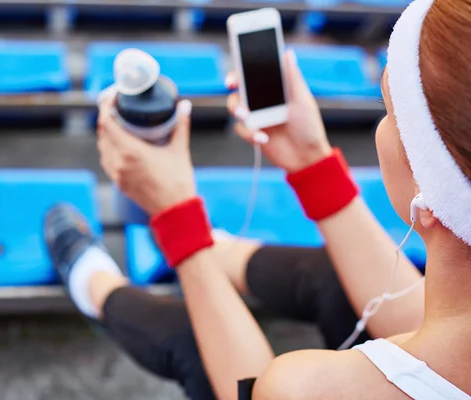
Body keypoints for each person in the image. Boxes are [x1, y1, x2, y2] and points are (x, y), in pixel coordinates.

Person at [44, 0, 471, 398]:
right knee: (329, 279)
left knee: (193, 343)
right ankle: (219, 252)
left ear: (430, 187)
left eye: (390, 110)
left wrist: (176, 218)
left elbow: (250, 387)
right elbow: (415, 316)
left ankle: (93, 283)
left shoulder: (303, 389)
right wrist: (311, 164)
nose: (384, 122)